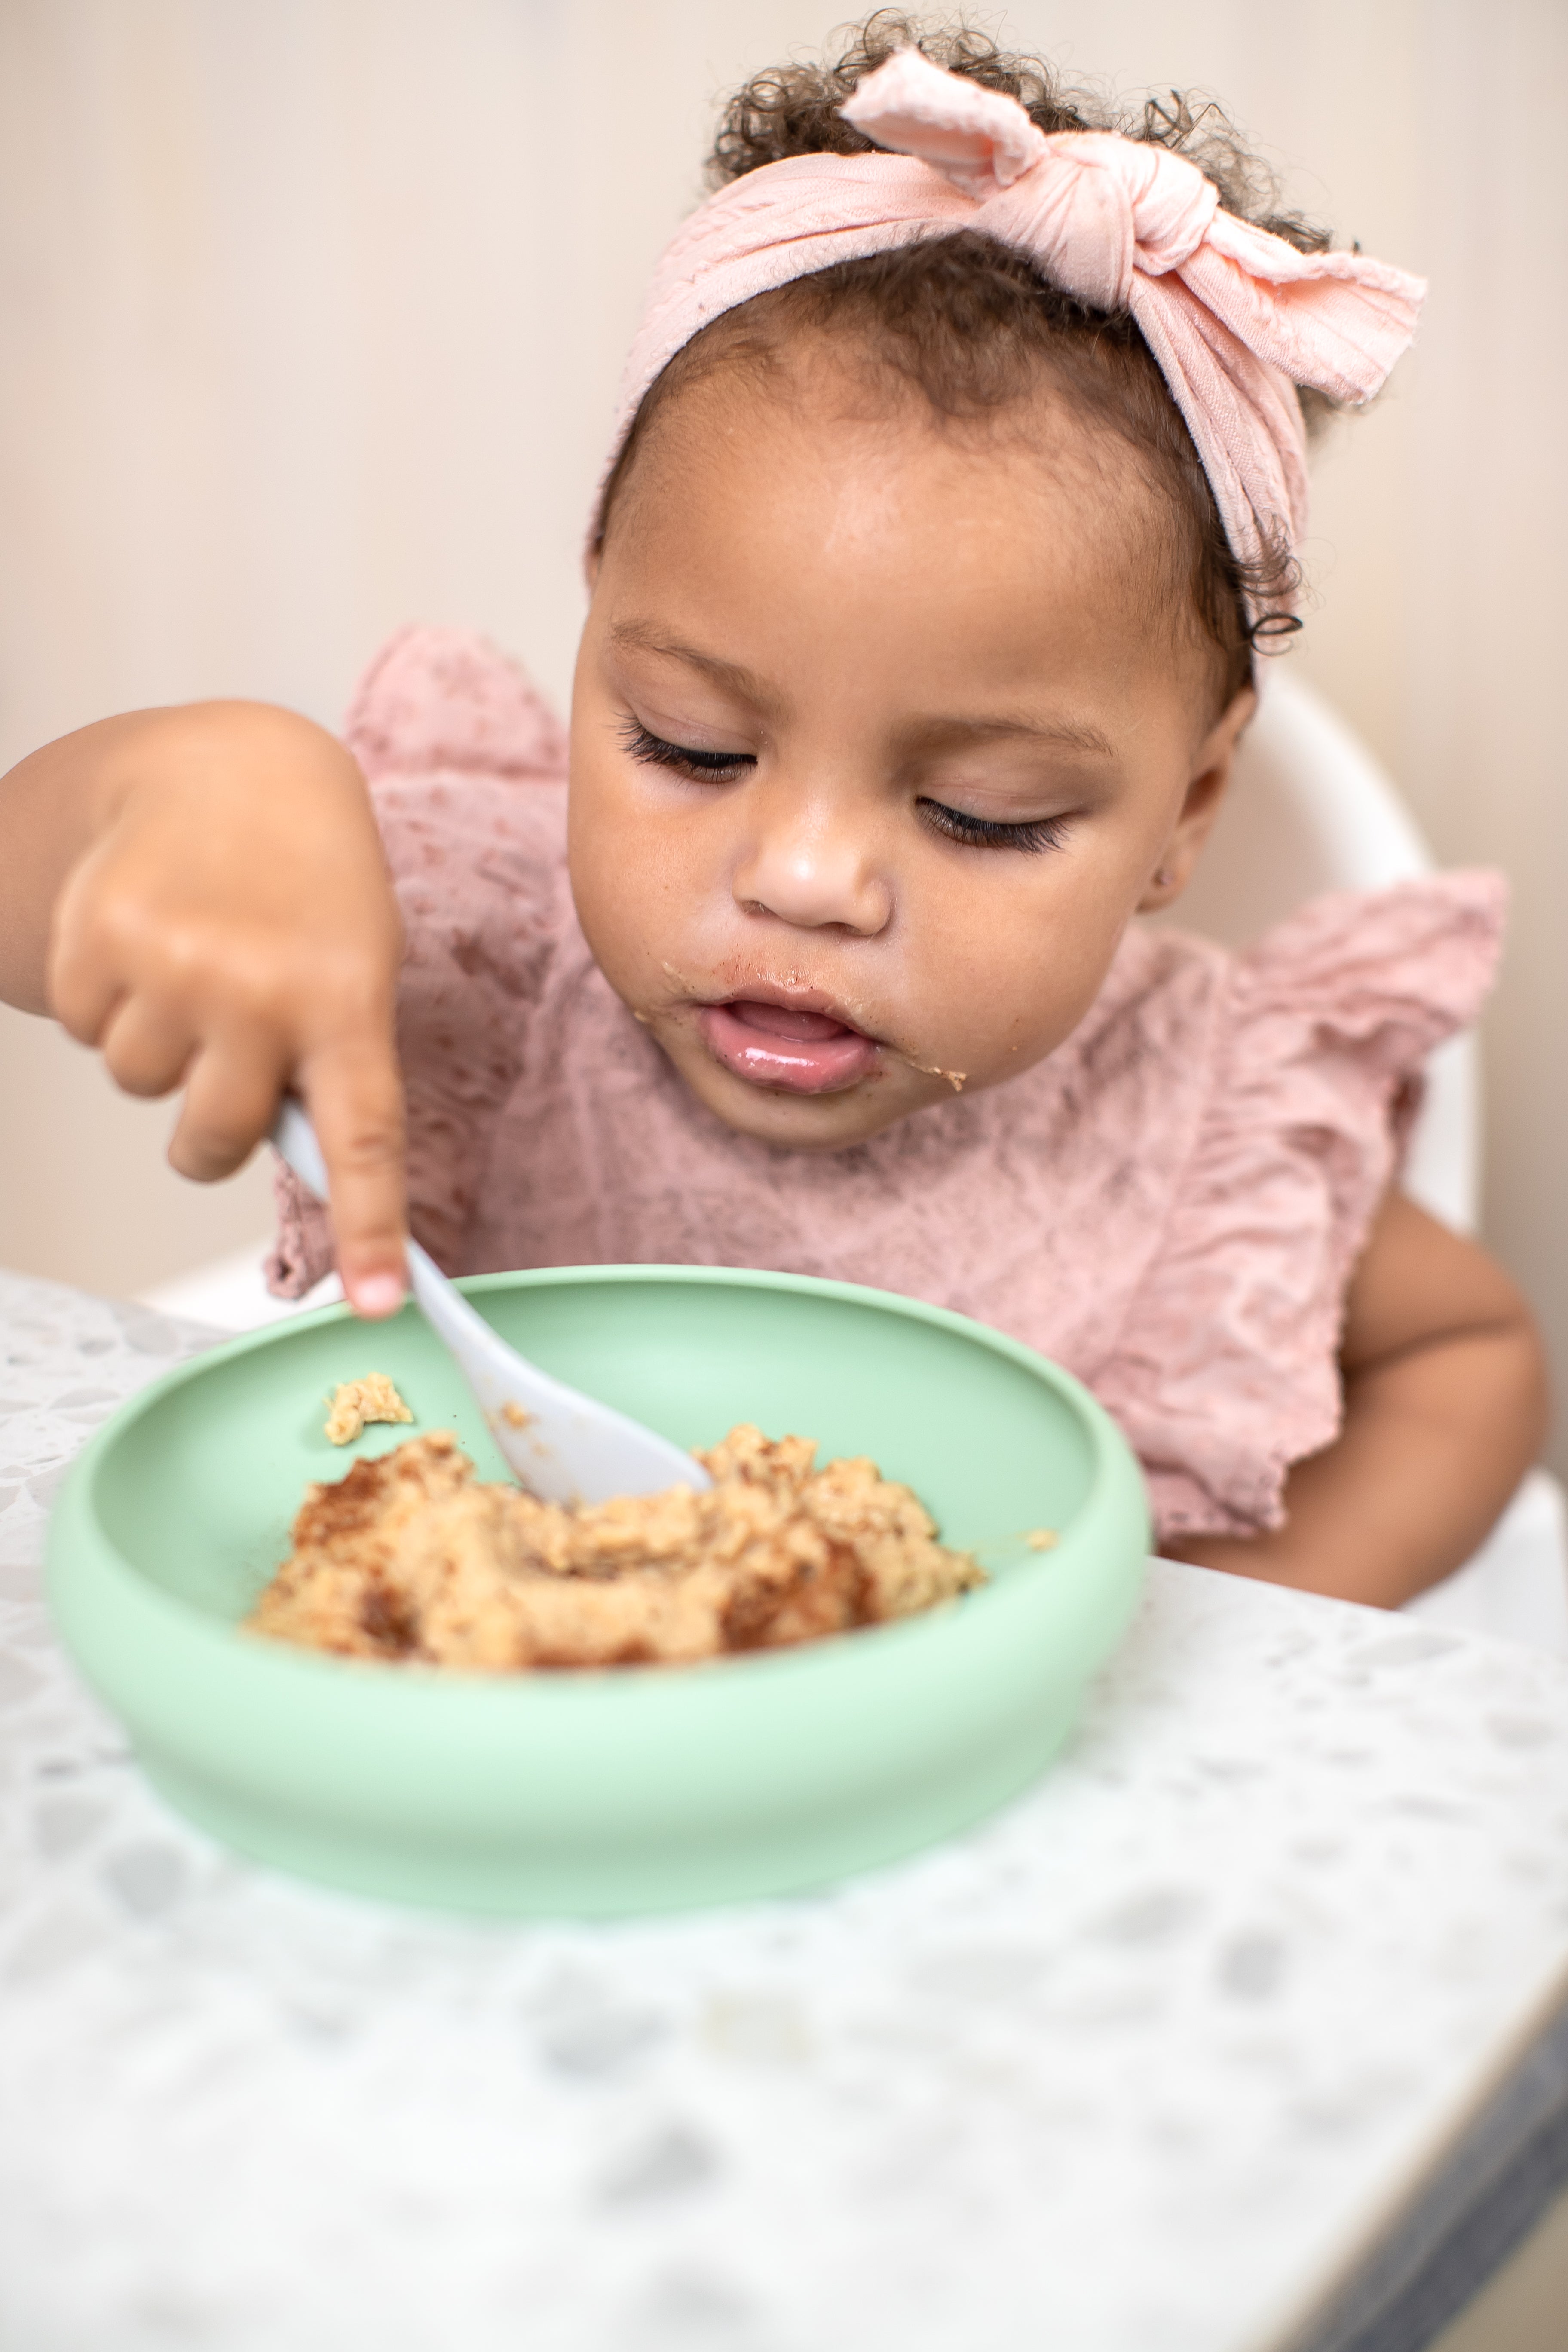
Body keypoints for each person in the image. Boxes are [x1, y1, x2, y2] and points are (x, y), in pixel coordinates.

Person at [0, 18, 1546, 1607]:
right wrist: (191, 787)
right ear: (598, 630)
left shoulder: (1186, 1123)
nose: (806, 880)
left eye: (981, 813)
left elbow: (1466, 1355)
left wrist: (1180, 1633)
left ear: (1187, 812)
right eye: (691, 746)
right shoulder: (479, 958)